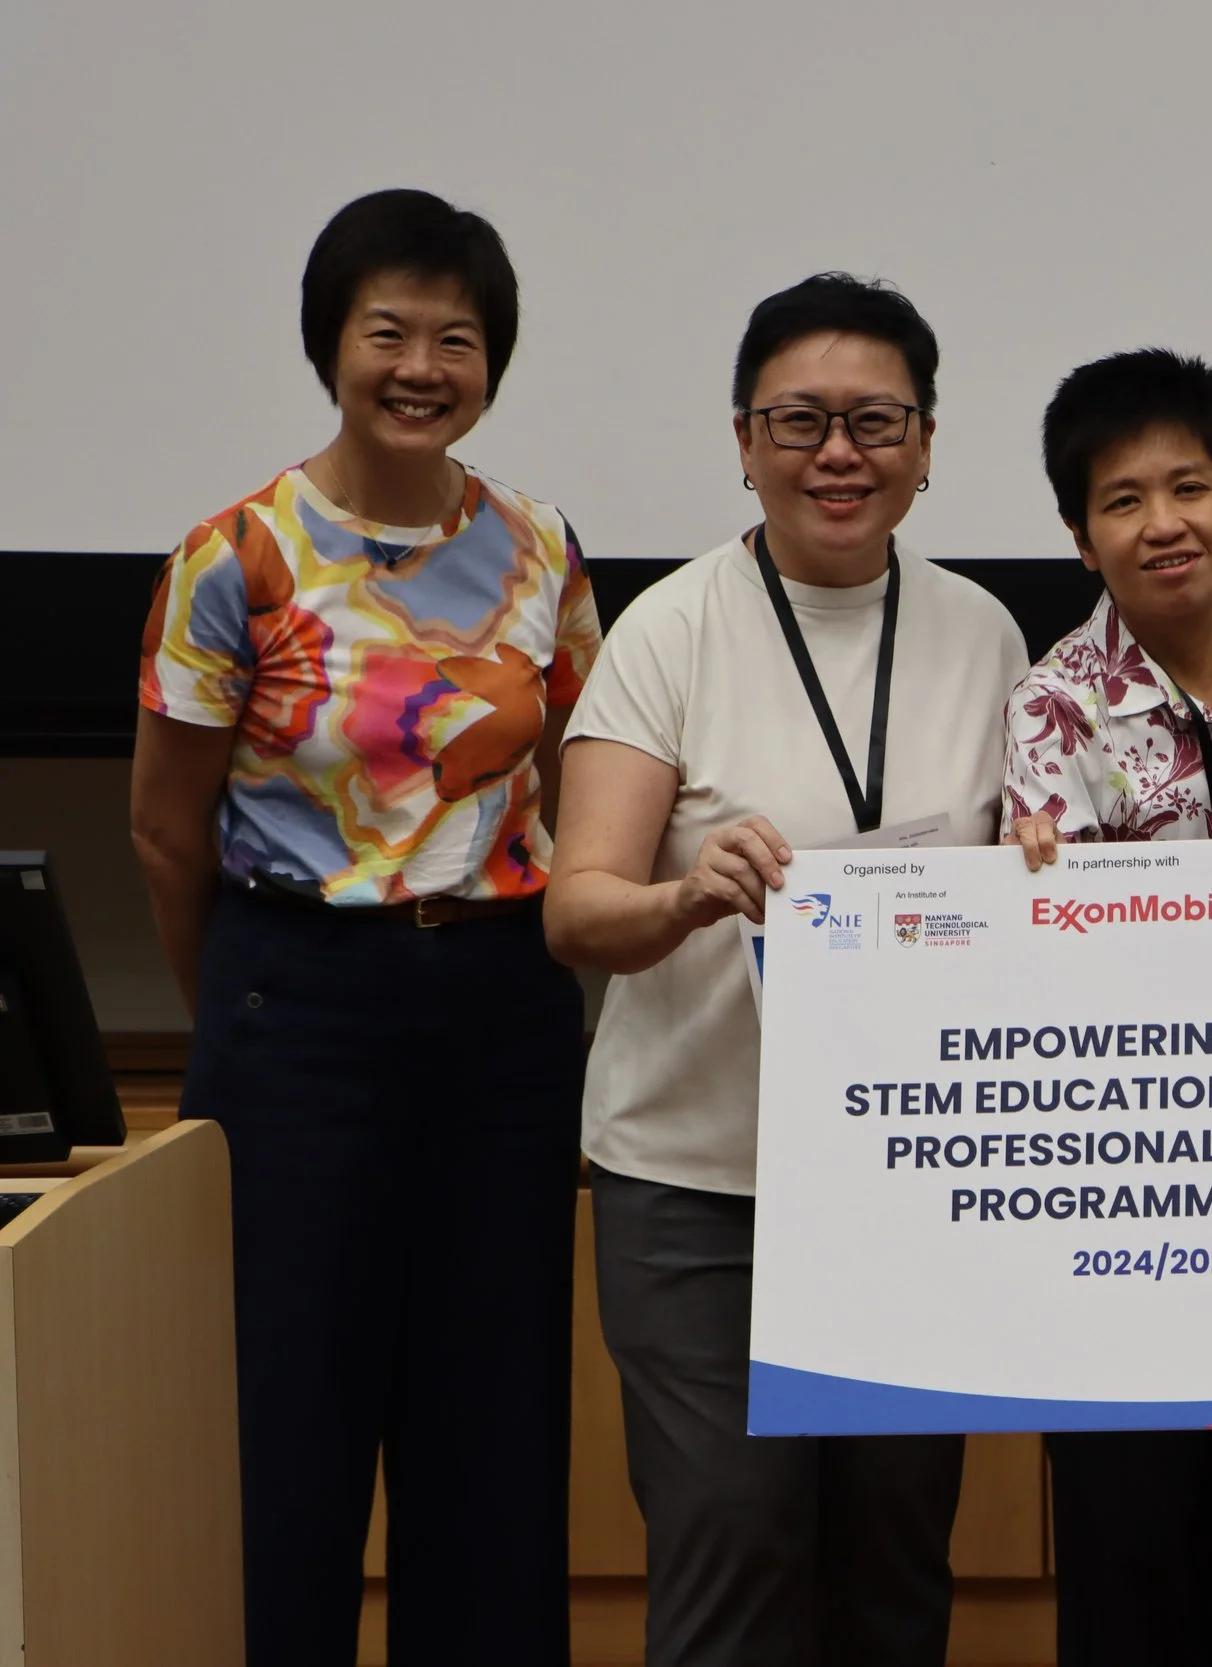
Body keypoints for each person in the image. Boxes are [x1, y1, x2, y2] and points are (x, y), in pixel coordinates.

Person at [130, 188, 597, 1664]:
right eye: (386, 329)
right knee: (291, 1431)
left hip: (504, 1015)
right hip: (297, 1012)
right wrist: (255, 1013)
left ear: (492, 364)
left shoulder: (541, 548)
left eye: (455, 338)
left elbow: (576, 782)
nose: (419, 365)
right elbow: (163, 827)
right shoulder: (236, 553)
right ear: (331, 344)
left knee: (497, 1427)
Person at [543, 273, 1027, 1667]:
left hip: (905, 1187)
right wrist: (687, 896)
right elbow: (577, 911)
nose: (838, 452)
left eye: (875, 420)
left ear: (927, 446)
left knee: (893, 1557)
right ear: (743, 440)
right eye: (800, 418)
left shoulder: (986, 635)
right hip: (697, 1183)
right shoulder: (671, 630)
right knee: (733, 1545)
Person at [1001, 347, 1212, 1664]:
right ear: (1081, 535)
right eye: (1122, 499)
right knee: (1129, 1557)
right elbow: (1068, 955)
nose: (1164, 523)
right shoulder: (1052, 703)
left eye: (1190, 486)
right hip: (1131, 1178)